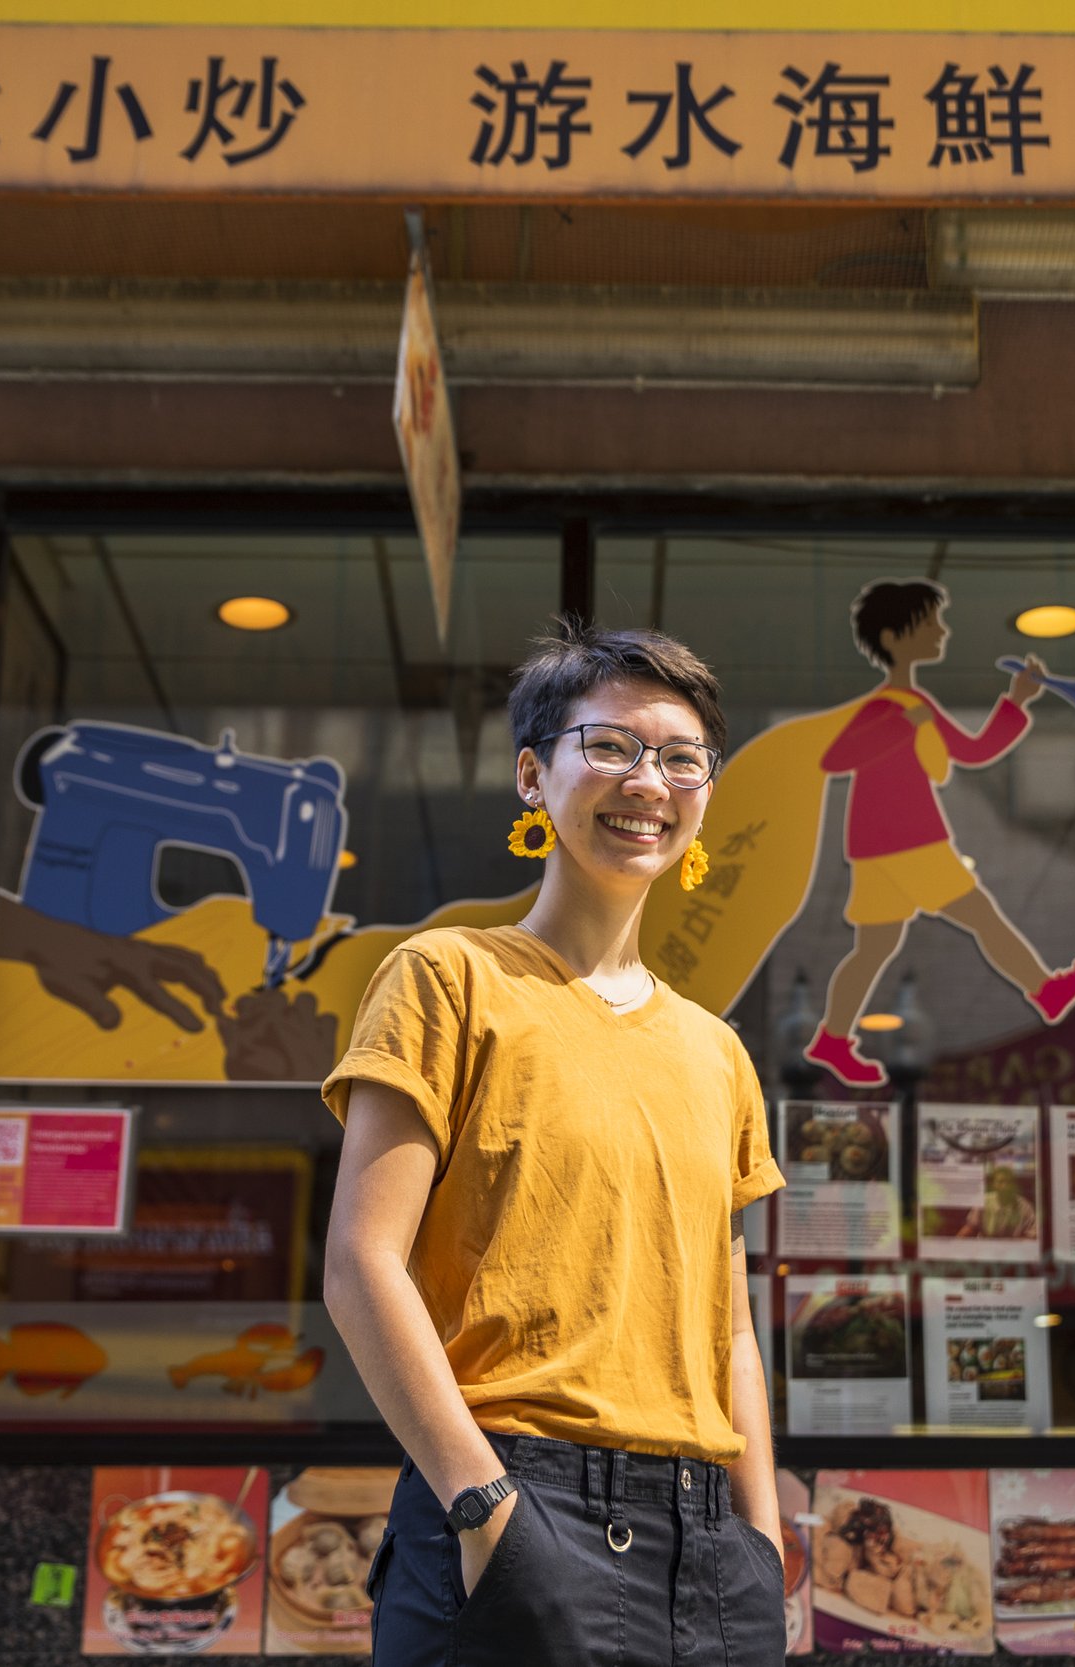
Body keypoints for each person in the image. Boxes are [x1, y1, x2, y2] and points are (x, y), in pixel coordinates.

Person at [321, 622, 786, 1667]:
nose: (648, 781)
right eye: (611, 745)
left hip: (711, 1547)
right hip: (518, 1502)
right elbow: (361, 1261)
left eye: (680, 756)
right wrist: (484, 1504)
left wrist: (763, 1537)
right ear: (535, 774)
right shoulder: (448, 977)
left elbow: (730, 1328)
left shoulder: (717, 1052)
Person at [802, 578, 1075, 1088]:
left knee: (875, 949)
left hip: (886, 846)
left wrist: (1016, 701)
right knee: (980, 916)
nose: (943, 631)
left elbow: (972, 751)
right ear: (897, 639)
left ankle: (832, 1039)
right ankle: (1044, 990)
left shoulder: (913, 699)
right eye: (931, 623)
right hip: (907, 842)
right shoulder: (889, 705)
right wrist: (906, 722)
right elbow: (836, 758)